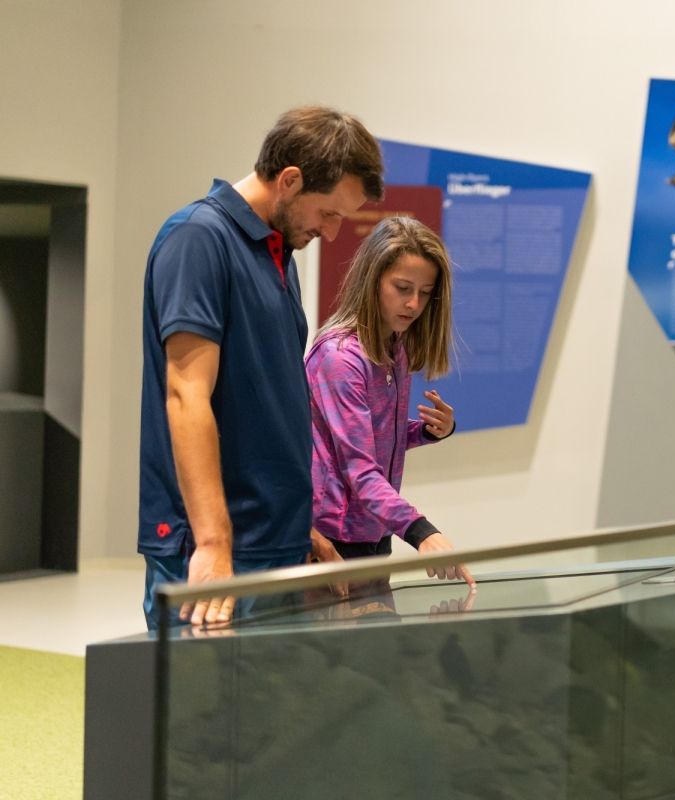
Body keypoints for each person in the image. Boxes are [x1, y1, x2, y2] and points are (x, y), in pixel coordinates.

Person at [139, 106, 385, 629]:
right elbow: (186, 395)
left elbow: (271, 405)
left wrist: (302, 529)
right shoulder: (198, 239)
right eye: (330, 212)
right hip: (217, 551)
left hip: (275, 541)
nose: (335, 231)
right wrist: (212, 542)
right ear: (290, 180)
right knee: (196, 708)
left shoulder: (278, 258)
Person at [306, 216, 474, 587]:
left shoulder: (393, 347)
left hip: (374, 530)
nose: (413, 304)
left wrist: (427, 432)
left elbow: (378, 433)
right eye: (402, 287)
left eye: (425, 292)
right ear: (373, 279)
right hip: (334, 541)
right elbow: (359, 468)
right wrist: (421, 531)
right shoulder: (339, 357)